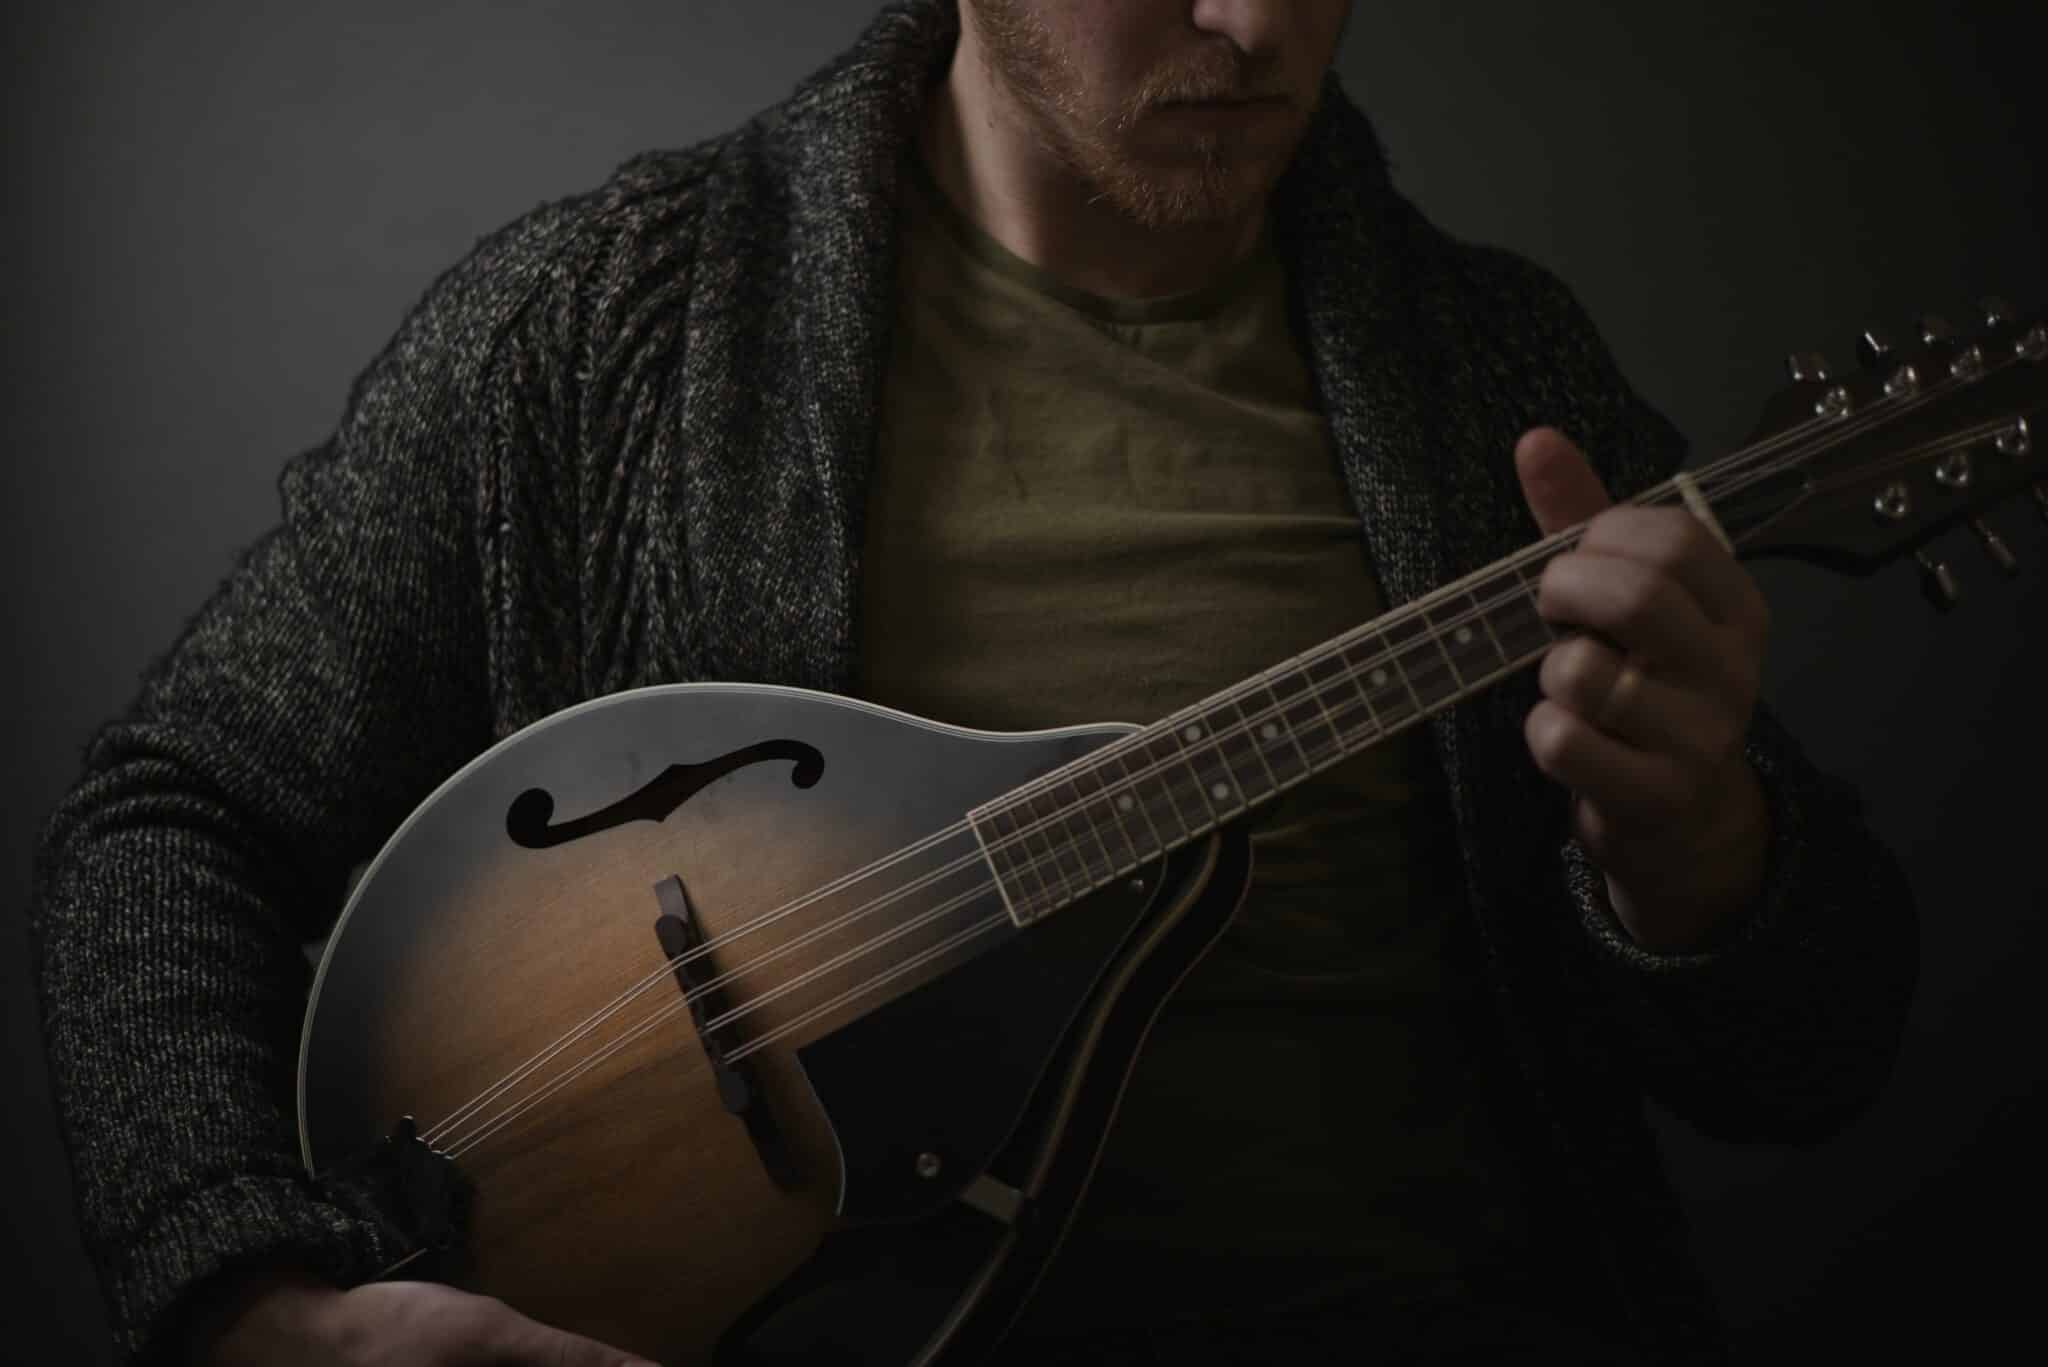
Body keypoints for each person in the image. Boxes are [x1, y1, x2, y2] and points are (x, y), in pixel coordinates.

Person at [27, 1, 1918, 1364]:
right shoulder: (605, 332)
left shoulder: (1496, 367)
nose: (1255, 27)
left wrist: (1695, 843)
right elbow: (174, 818)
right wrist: (263, 1309)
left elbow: (1808, 1060)